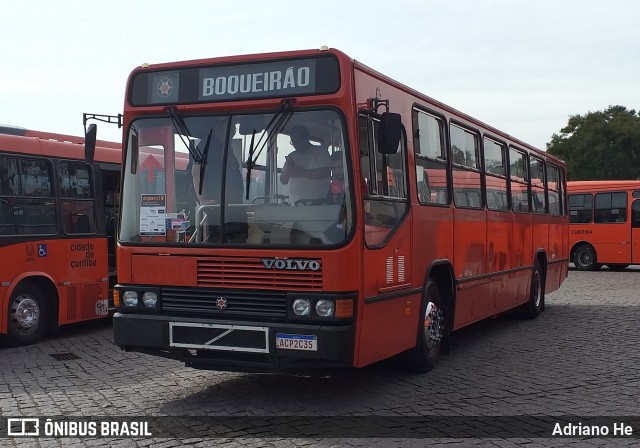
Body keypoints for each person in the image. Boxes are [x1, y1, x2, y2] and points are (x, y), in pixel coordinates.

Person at [189, 118, 246, 242]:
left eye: (234, 129)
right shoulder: (209, 144)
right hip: (219, 209)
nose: (233, 132)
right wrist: (203, 199)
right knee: (220, 242)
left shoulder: (224, 146)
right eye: (230, 128)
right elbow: (197, 170)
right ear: (216, 127)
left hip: (231, 207)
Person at [280, 125, 331, 205]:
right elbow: (283, 180)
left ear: (307, 138)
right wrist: (288, 173)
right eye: (293, 142)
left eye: (298, 141)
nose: (295, 144)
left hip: (316, 204)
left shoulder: (321, 151)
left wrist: (300, 173)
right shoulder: (291, 156)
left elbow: (325, 172)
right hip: (294, 203)